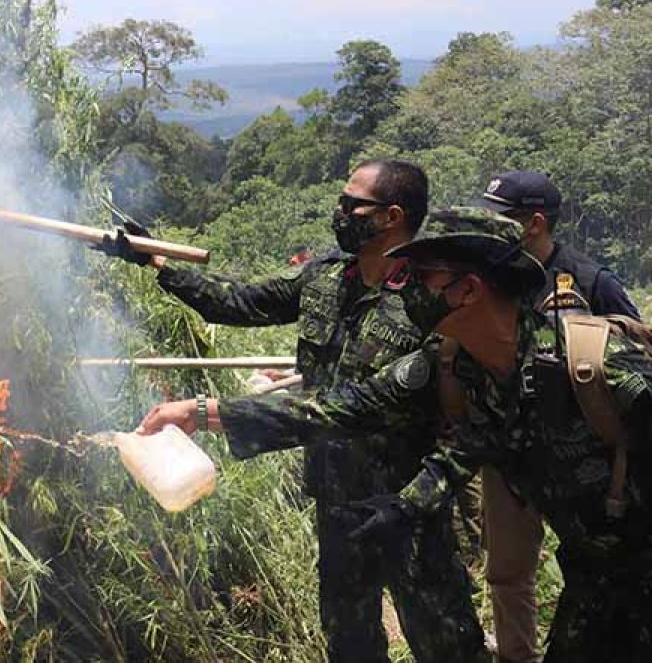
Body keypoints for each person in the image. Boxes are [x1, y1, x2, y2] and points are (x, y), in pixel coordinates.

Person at [141, 208, 652, 663]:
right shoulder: (454, 366)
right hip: (595, 577)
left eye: (424, 276)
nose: (408, 287)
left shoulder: (592, 366)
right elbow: (349, 407)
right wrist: (203, 413)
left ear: (468, 290)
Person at [98, 160, 486, 663]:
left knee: (445, 641)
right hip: (336, 496)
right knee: (349, 641)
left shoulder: (430, 299)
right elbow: (238, 302)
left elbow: (353, 409)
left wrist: (206, 411)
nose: (340, 213)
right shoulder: (325, 278)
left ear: (392, 216)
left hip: (408, 504)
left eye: (352, 205)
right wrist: (157, 263)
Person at [471, 170, 642, 663]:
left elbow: (632, 353)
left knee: (590, 567)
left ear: (534, 223)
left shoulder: (589, 281)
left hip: (580, 465)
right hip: (507, 454)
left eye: (501, 218)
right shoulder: (492, 281)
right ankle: (517, 655)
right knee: (507, 571)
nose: (490, 227)